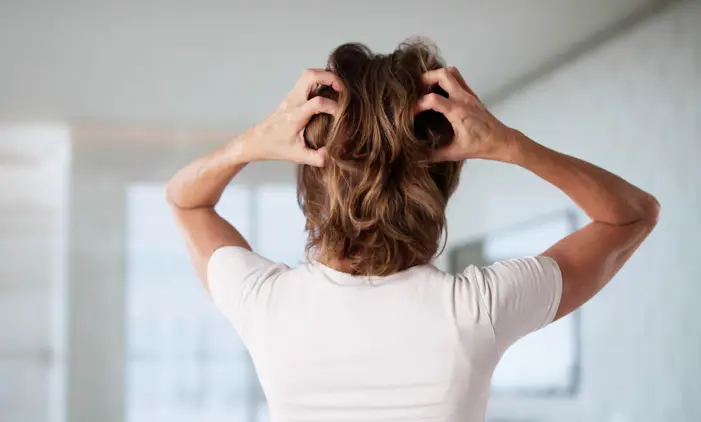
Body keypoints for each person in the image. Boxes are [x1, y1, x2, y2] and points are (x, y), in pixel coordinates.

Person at [166, 41, 659, 422]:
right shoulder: (477, 310)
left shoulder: (266, 304)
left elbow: (185, 200)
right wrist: (510, 144)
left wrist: (253, 141)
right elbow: (632, 214)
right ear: (445, 180)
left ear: (311, 174)